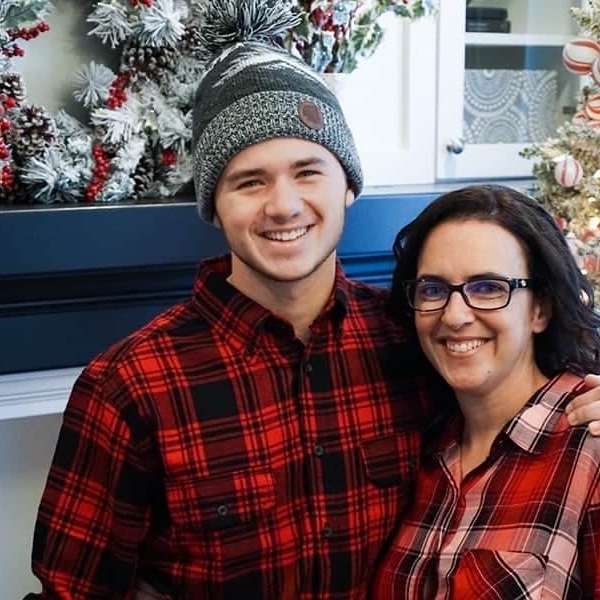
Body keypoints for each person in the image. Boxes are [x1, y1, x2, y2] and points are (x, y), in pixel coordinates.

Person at [24, 1, 600, 598]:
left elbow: (523, 387)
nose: (283, 205)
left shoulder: (414, 337)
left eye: (308, 171)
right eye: (249, 181)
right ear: (213, 205)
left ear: (348, 185)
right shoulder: (129, 388)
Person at [373, 184, 600, 598]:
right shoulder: (426, 448)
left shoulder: (590, 447)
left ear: (540, 309)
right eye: (433, 289)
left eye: (489, 288)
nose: (455, 315)